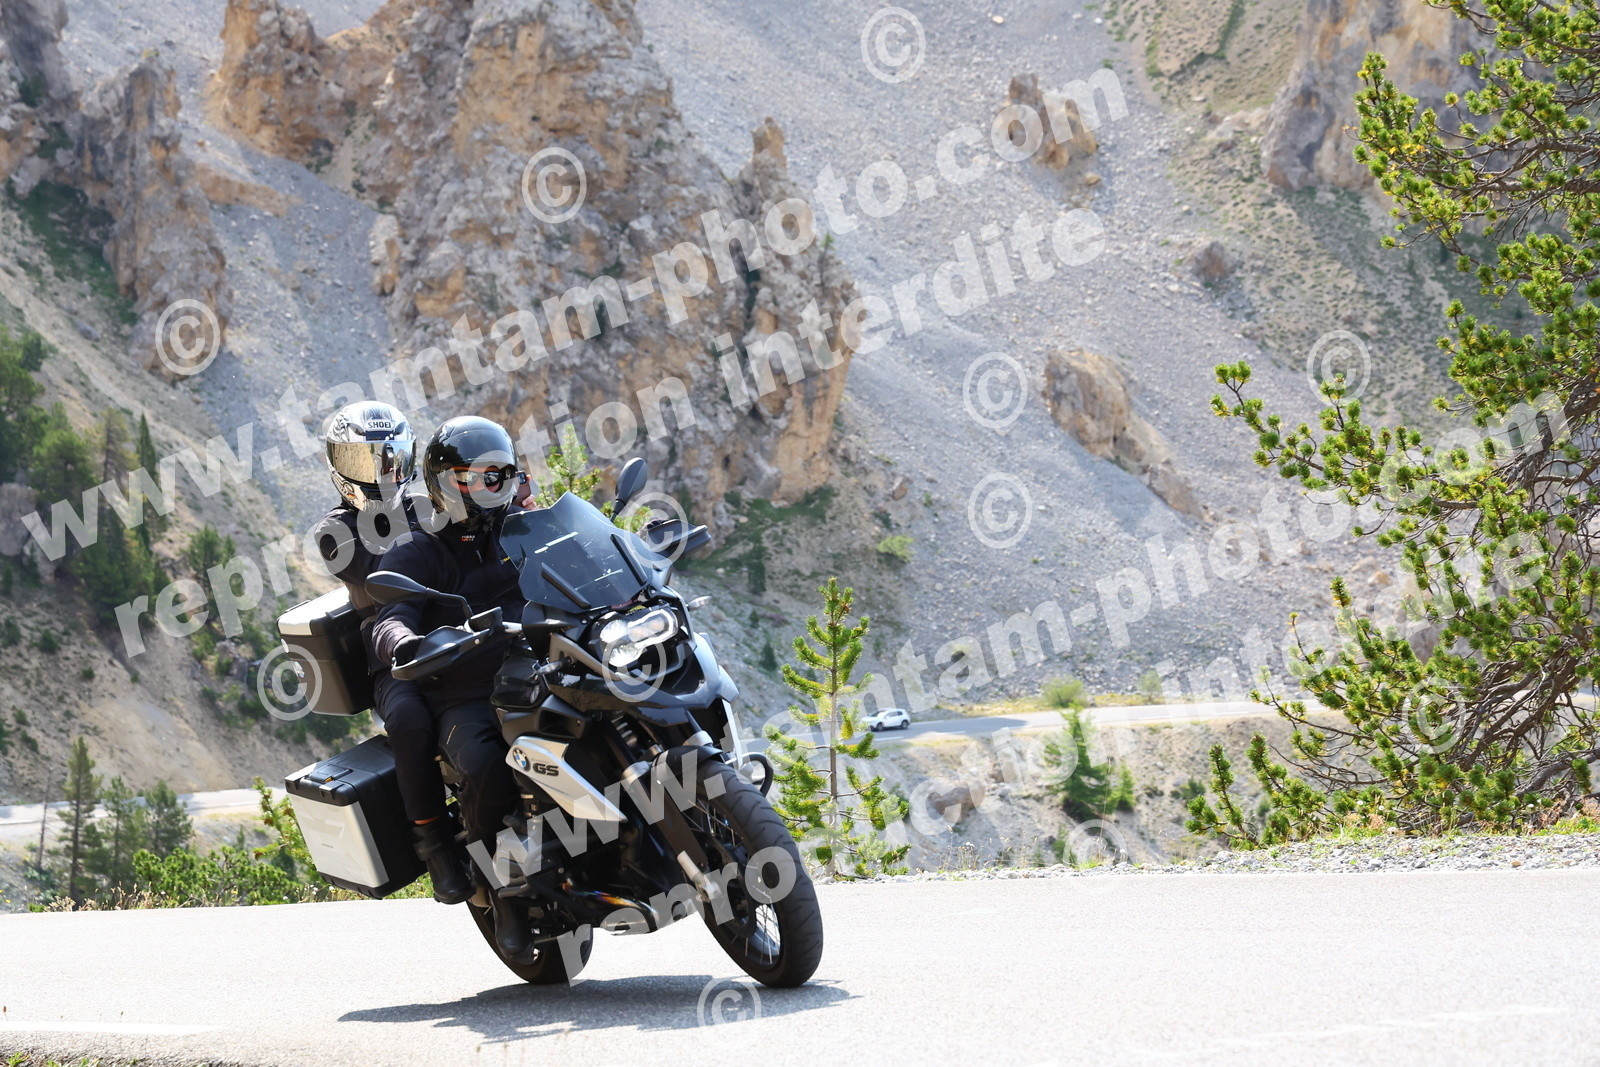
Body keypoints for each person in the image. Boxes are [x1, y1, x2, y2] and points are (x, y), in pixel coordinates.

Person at [370, 415, 531, 956]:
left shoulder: (524, 529)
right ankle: (502, 891)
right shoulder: (417, 550)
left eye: (497, 475)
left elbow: (582, 555)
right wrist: (403, 642)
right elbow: (392, 616)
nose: (487, 487)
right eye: (472, 477)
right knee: (486, 766)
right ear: (443, 483)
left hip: (542, 670)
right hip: (467, 692)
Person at [310, 401, 474, 905]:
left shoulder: (427, 505)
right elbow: (385, 567)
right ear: (340, 465)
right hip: (393, 652)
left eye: (390, 457)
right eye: (366, 461)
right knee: (408, 721)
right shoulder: (335, 530)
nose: (382, 472)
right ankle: (435, 842)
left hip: (461, 629)